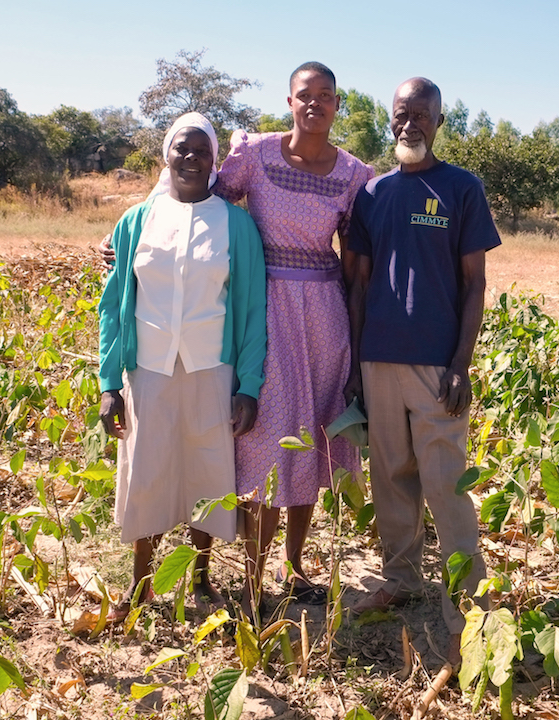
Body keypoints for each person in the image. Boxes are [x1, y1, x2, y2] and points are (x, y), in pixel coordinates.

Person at [101, 62, 373, 620]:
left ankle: (279, 568)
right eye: (305, 94)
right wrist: (119, 241)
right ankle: (197, 578)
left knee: (302, 441)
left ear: (337, 104)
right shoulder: (246, 159)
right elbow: (183, 203)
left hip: (315, 318)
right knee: (251, 446)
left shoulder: (344, 178)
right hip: (222, 328)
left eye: (327, 95)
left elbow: (358, 258)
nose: (315, 103)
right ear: (289, 100)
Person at [344, 77, 501, 665]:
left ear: (439, 122)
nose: (409, 124)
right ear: (391, 120)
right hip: (378, 357)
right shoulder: (372, 193)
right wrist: (357, 364)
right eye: (400, 115)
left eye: (421, 116)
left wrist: (461, 364)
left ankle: (469, 593)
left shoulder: (461, 188)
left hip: (438, 363)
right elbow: (356, 282)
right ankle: (401, 577)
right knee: (390, 472)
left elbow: (475, 282)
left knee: (444, 479)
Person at [98, 112, 266, 621]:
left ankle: (200, 579)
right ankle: (141, 582)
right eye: (181, 150)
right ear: (165, 157)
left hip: (211, 367)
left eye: (201, 151)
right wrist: (109, 384)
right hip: (145, 368)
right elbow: (112, 307)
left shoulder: (236, 224)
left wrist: (249, 385)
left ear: (215, 161)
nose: (190, 158)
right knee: (146, 472)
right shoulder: (135, 221)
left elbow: (254, 309)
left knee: (206, 473)